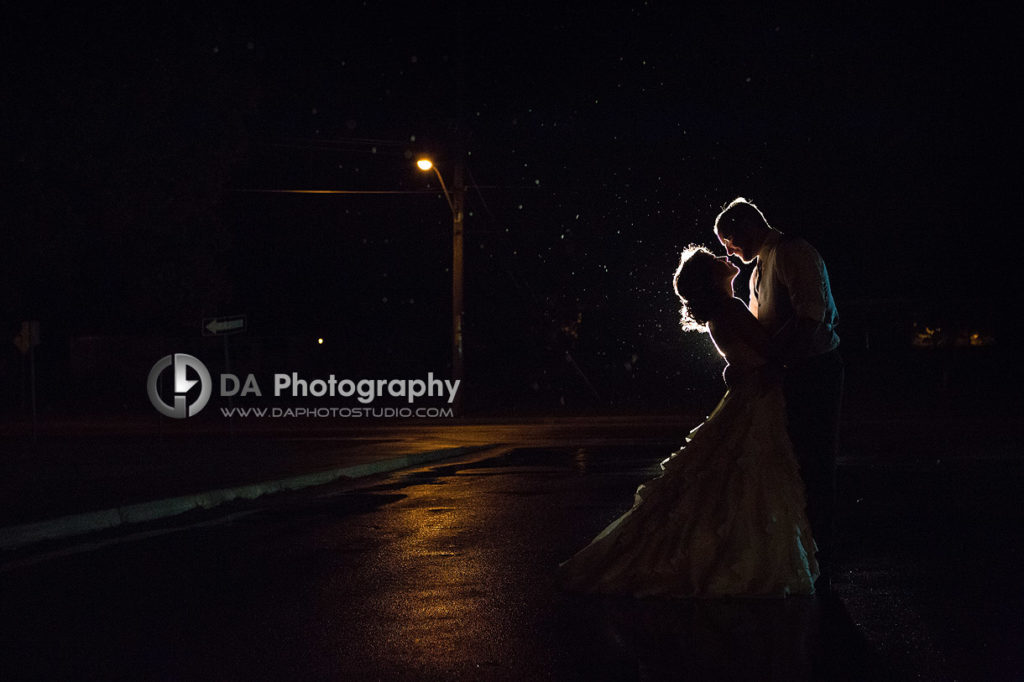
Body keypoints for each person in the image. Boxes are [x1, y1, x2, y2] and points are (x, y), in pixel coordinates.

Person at [557, 246, 818, 597]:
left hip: (748, 395)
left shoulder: (718, 314)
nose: (725, 259)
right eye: (715, 260)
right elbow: (770, 350)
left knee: (729, 480)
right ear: (710, 279)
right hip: (758, 397)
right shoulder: (731, 308)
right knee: (751, 476)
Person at [713, 197, 843, 595]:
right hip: (786, 374)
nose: (728, 250)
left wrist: (772, 362)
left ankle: (823, 558)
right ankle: (802, 552)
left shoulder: (792, 252)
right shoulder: (757, 273)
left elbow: (811, 317)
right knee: (790, 463)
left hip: (814, 371)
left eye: (728, 239)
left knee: (813, 461)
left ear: (745, 226)